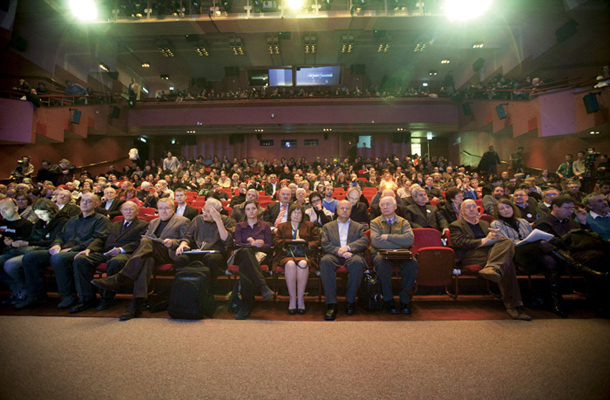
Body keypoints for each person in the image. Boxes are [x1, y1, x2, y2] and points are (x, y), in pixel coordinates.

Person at [91, 198, 189, 321]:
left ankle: (121, 277)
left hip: (166, 252)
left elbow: (186, 239)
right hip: (150, 253)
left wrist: (173, 242)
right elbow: (145, 238)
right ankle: (136, 304)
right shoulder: (153, 222)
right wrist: (147, 240)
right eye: (160, 208)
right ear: (157, 210)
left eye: (166, 208)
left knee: (147, 242)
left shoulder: (183, 221)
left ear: (173, 209)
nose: (163, 211)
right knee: (146, 259)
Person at [20, 193, 110, 310]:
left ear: (96, 204)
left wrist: (73, 249)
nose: (84, 203)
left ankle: (68, 295)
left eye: (89, 201)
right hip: (64, 249)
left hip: (83, 251)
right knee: (30, 256)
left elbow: (99, 239)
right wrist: (56, 244)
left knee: (58, 258)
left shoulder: (101, 220)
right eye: (83, 200)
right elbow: (60, 235)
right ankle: (36, 295)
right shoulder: (72, 220)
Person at [449, 199, 531, 320]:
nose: (472, 209)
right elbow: (459, 242)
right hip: (472, 255)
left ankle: (492, 268)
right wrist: (484, 240)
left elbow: (495, 242)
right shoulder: (455, 225)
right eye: (467, 207)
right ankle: (513, 306)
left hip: (490, 253)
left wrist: (496, 238)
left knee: (506, 241)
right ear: (461, 211)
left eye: (473, 206)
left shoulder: (485, 224)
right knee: (507, 264)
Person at [490, 199, 567, 317]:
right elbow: (506, 243)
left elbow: (531, 236)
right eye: (502, 208)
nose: (506, 210)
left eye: (508, 207)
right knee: (543, 244)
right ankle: (568, 261)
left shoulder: (523, 222)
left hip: (531, 252)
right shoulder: (496, 224)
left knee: (550, 260)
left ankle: (556, 300)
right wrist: (524, 242)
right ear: (498, 212)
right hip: (516, 252)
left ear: (513, 208)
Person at [71, 201, 149, 313]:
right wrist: (89, 249)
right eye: (125, 209)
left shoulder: (143, 224)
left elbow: (141, 242)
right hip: (106, 252)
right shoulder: (115, 224)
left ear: (137, 211)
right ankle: (87, 298)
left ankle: (106, 298)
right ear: (121, 211)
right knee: (81, 260)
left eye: (131, 209)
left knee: (115, 262)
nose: (128, 211)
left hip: (126, 254)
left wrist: (120, 250)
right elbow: (102, 238)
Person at [3, 199, 68, 307]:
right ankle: (19, 289)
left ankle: (32, 294)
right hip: (34, 248)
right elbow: (33, 237)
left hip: (50, 249)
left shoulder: (62, 221)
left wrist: (27, 243)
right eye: (38, 214)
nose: (40, 217)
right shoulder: (40, 222)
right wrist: (16, 240)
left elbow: (54, 240)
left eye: (42, 214)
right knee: (3, 258)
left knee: (15, 263)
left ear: (50, 211)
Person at [319, 200, 368, 321]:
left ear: (351, 211)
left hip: (351, 255)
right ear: (337, 210)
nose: (345, 210)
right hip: (333, 254)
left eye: (347, 208)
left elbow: (364, 241)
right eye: (342, 208)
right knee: (325, 261)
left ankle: (350, 302)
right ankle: (331, 304)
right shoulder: (328, 226)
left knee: (357, 262)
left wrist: (348, 248)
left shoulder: (357, 226)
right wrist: (338, 250)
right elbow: (324, 244)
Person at [370, 196, 418, 314]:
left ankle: (404, 298)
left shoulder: (403, 222)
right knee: (382, 264)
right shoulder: (375, 222)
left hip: (401, 255)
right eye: (382, 205)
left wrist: (388, 237)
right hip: (380, 254)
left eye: (388, 204)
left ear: (395, 206)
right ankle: (388, 298)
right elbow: (376, 241)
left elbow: (409, 240)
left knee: (412, 263)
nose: (385, 207)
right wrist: (400, 243)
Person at [175, 198, 235, 291]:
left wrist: (218, 220)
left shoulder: (225, 220)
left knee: (210, 258)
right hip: (197, 252)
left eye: (208, 211)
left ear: (217, 212)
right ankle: (182, 291)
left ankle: (207, 291)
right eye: (204, 210)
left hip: (216, 254)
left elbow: (227, 241)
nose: (205, 214)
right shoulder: (198, 219)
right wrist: (183, 244)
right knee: (181, 259)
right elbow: (187, 236)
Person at [273, 203, 320, 314]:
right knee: (290, 264)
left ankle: (301, 298)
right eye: (295, 212)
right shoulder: (282, 226)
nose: (297, 214)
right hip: (287, 255)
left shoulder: (309, 225)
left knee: (303, 263)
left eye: (299, 212)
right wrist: (289, 242)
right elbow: (275, 241)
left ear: (302, 215)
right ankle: (292, 299)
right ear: (290, 214)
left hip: (305, 255)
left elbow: (317, 241)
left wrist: (307, 244)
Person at [232, 201, 275, 320]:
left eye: (253, 208)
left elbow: (269, 245)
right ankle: (262, 286)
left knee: (246, 267)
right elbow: (237, 244)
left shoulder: (265, 225)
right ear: (245, 212)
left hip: (259, 256)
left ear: (257, 210)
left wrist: (262, 245)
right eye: (248, 209)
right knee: (246, 252)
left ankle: (246, 304)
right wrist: (249, 243)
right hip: (241, 254)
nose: (251, 211)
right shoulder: (239, 226)